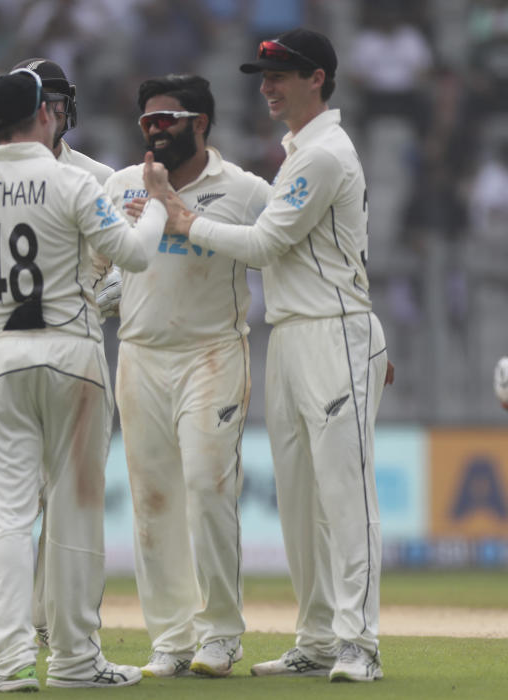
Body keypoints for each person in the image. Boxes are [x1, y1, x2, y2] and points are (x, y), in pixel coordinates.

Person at [0, 68, 174, 691]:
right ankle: (74, 661)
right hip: (72, 354)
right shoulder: (71, 181)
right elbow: (136, 255)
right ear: (46, 114)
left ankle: (10, 664)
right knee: (74, 515)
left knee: (8, 515)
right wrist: (153, 208)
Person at [172, 28, 393, 682]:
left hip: (332, 332)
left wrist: (187, 223)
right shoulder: (302, 152)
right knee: (300, 497)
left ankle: (361, 644)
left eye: (280, 76)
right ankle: (320, 637)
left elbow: (265, 244)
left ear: (317, 79)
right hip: (297, 334)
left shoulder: (325, 154)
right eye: (262, 77)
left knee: (345, 495)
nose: (266, 88)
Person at [102, 74, 271, 679]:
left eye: (167, 120)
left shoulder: (244, 189)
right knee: (153, 502)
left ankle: (221, 632)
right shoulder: (121, 184)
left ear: (200, 122)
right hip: (139, 354)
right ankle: (171, 639)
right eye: (147, 121)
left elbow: (278, 252)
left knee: (206, 487)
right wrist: (103, 288)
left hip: (212, 354)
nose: (154, 131)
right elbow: (100, 265)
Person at [0, 57, 114, 643]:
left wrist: (99, 296)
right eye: (52, 100)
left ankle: (41, 622)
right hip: (20, 344)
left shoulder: (95, 175)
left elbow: (121, 273)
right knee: (16, 487)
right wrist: (0, 325)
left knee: (56, 491)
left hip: (73, 338)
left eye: (65, 99)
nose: (59, 110)